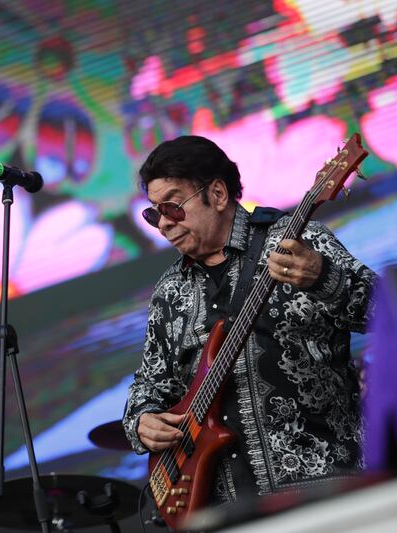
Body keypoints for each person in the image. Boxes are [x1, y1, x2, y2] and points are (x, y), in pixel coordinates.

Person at [122, 135, 376, 504]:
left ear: (219, 195)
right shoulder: (169, 292)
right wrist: (142, 421)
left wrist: (324, 278)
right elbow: (149, 385)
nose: (163, 224)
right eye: (153, 213)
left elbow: (385, 311)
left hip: (325, 489)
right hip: (228, 509)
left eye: (173, 207)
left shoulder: (301, 242)